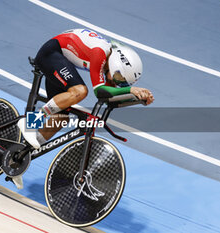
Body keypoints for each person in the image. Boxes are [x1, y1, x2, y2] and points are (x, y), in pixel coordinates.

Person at [13, 29, 154, 189]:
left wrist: (137, 99)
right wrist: (130, 91)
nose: (118, 84)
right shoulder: (99, 53)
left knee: (60, 119)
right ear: (115, 65)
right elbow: (99, 91)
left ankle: (19, 159)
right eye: (119, 79)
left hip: (62, 62)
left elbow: (108, 98)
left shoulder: (110, 64)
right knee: (80, 91)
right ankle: (29, 123)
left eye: (123, 83)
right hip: (51, 54)